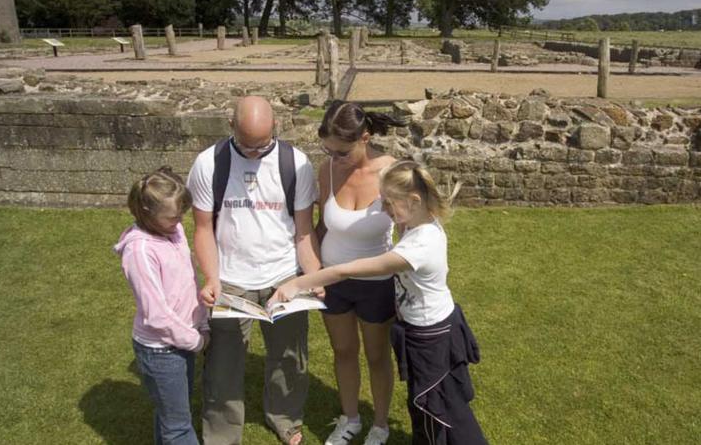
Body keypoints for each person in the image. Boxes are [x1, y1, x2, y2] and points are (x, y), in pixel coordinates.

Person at [269, 161, 488, 445]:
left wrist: (297, 284)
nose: (384, 210)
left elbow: (347, 269)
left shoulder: (419, 245)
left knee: (445, 411)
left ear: (414, 200)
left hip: (433, 335)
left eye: (388, 203)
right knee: (422, 405)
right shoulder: (416, 222)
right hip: (423, 330)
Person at [187, 96, 321, 445]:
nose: (254, 153)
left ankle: (285, 418)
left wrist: (313, 276)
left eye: (262, 145)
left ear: (275, 128)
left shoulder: (296, 163)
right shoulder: (208, 163)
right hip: (230, 278)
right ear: (230, 126)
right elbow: (202, 228)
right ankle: (220, 435)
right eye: (247, 146)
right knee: (222, 365)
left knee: (290, 358)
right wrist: (212, 278)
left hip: (284, 277)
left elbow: (304, 231)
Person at [315, 101, 405, 445]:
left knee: (377, 355)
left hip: (377, 284)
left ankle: (379, 425)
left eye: (341, 152)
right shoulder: (328, 170)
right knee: (343, 351)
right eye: (327, 150)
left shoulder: (393, 173)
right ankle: (350, 419)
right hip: (334, 281)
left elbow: (415, 232)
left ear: (364, 138)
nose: (333, 158)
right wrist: (309, 272)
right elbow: (321, 226)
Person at [114, 167, 207, 445]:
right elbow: (157, 316)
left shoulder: (173, 230)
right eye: (173, 216)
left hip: (180, 342)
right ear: (146, 212)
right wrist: (197, 340)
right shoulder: (140, 251)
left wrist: (200, 320)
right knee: (178, 427)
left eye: (182, 213)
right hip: (161, 350)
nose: (180, 220)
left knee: (171, 415)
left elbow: (187, 278)